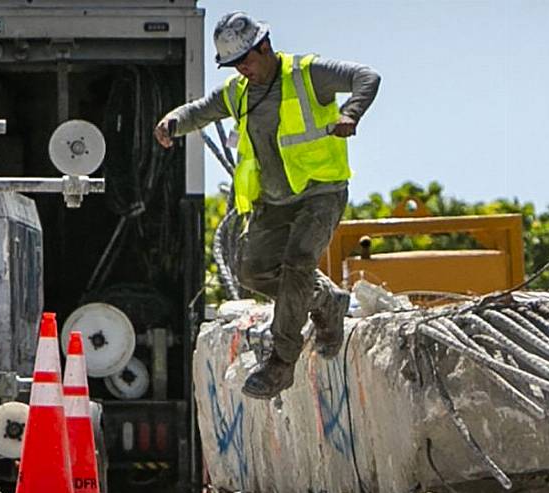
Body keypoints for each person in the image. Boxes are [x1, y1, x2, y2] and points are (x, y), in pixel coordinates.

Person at [154, 11, 381, 399]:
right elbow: (202, 109)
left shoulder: (308, 74)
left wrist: (350, 112)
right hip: (274, 202)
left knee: (297, 263)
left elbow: (366, 77)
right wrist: (172, 121)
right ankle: (326, 300)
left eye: (246, 60)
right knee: (253, 272)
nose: (242, 70)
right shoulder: (238, 93)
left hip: (319, 192)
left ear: (265, 46)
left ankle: (280, 363)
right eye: (233, 65)